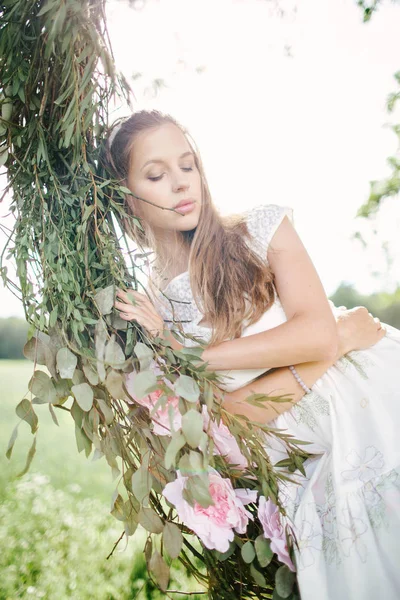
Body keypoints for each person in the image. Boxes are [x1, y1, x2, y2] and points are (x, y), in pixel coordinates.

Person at [101, 109, 400, 600]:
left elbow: (313, 332)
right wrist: (339, 342)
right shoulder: (149, 309)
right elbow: (230, 421)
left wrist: (190, 357)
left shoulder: (261, 230)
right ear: (124, 196)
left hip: (366, 401)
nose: (180, 184)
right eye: (155, 175)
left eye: (187, 165)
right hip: (297, 454)